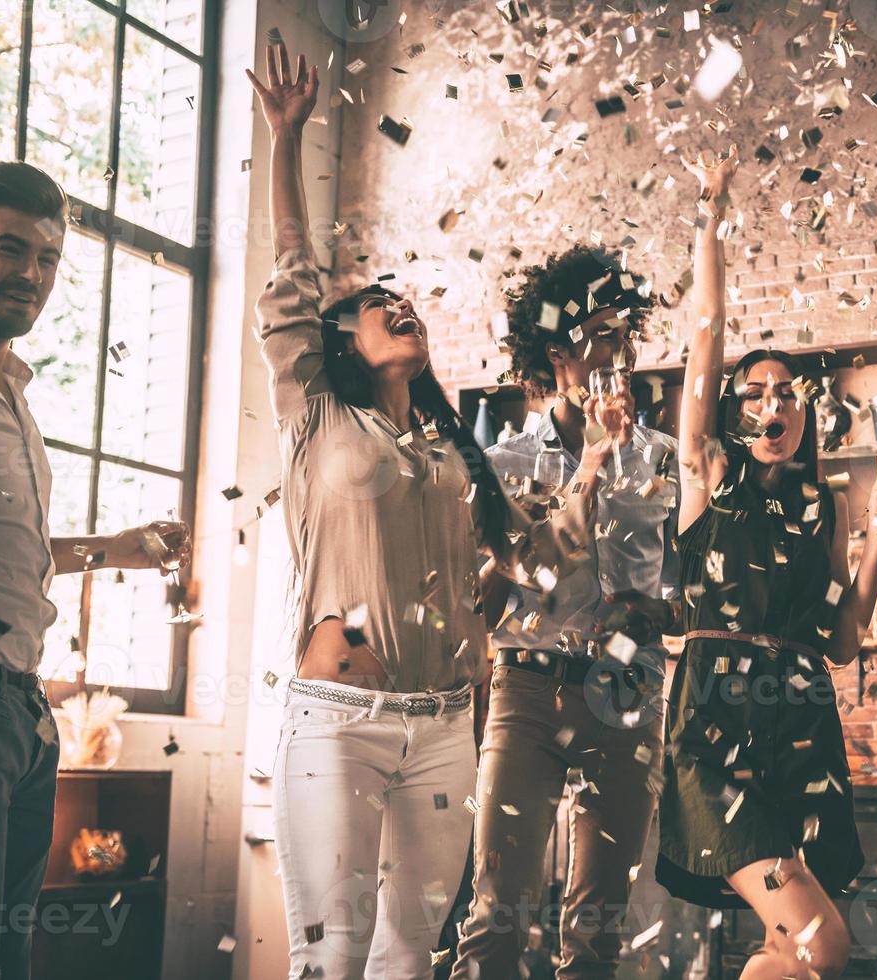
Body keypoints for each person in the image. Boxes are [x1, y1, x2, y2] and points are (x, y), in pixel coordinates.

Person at [247, 42, 549, 980]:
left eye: (408, 299)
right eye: (379, 304)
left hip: (444, 722)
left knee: (413, 955)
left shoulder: (453, 451)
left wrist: (490, 595)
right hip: (338, 715)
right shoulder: (316, 413)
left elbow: (512, 563)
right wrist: (286, 139)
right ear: (339, 340)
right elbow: (289, 283)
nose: (399, 304)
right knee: (332, 955)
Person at [654, 145, 877, 980]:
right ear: (733, 416)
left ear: (804, 415)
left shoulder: (824, 505)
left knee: (784, 953)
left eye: (787, 394)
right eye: (756, 394)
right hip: (717, 728)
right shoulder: (710, 477)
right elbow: (705, 338)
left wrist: (875, 533)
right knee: (820, 940)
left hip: (801, 724)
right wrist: (710, 215)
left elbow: (841, 642)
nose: (772, 405)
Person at [0, 159, 189, 979]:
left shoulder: (12, 389)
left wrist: (117, 550)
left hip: (23, 707)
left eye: (49, 257)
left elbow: (1, 553)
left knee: (5, 959)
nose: (31, 274)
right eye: (9, 248)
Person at [449, 246, 680, 979]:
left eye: (625, 333)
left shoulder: (666, 458)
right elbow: (483, 598)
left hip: (628, 692)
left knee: (598, 929)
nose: (622, 351)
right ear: (559, 352)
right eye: (604, 334)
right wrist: (590, 463)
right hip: (527, 690)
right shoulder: (507, 463)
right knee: (495, 914)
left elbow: (691, 594)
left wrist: (660, 611)